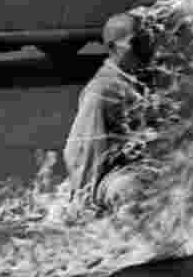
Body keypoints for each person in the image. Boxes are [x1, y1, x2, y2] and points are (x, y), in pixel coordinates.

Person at [63, 13, 156, 213]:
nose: (144, 48)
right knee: (130, 189)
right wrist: (83, 204)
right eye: (135, 43)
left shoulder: (135, 78)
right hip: (111, 179)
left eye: (145, 40)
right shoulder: (102, 91)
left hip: (135, 165)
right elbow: (79, 151)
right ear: (112, 47)